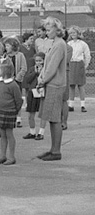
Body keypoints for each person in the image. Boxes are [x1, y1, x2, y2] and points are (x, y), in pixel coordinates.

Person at [36, 17, 68, 161]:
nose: (47, 32)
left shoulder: (59, 44)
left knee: (55, 119)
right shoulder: (54, 43)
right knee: (51, 118)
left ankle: (56, 152)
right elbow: (47, 66)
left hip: (55, 85)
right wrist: (41, 77)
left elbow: (52, 68)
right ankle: (52, 149)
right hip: (51, 84)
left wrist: (42, 81)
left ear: (57, 30)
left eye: (49, 30)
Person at [0, 61, 22, 165]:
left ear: (4, 71)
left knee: (9, 134)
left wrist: (15, 111)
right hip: (0, 111)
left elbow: (18, 100)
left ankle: (12, 157)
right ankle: (2, 156)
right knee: (2, 134)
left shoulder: (13, 85)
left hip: (9, 112)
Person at [67, 26, 91, 112]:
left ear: (78, 33)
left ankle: (83, 105)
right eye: (71, 33)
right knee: (71, 85)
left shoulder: (83, 44)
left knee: (81, 86)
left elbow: (87, 55)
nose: (72, 34)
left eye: (74, 32)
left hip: (79, 64)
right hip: (71, 64)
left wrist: (85, 65)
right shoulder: (69, 44)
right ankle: (71, 105)